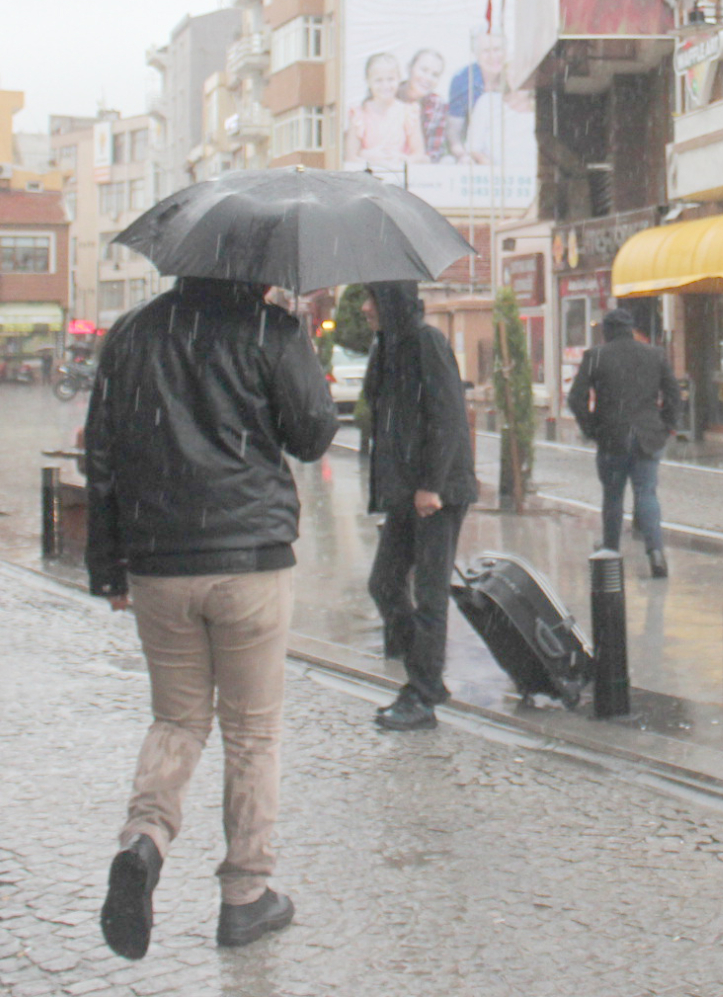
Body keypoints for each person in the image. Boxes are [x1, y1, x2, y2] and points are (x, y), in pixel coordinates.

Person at [84, 276, 335, 959]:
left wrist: (106, 565)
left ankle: (145, 840)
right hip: (249, 558)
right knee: (252, 730)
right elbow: (313, 432)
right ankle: (246, 895)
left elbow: (100, 453)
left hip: (159, 560)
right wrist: (295, 335)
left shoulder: (132, 331)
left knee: (177, 719)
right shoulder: (266, 327)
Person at [362, 280, 479, 730]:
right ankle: (424, 676)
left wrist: (431, 484)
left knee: (430, 593)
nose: (365, 308)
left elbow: (448, 417)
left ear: (391, 301)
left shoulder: (427, 343)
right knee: (384, 583)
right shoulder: (388, 347)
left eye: (372, 299)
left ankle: (424, 693)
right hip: (407, 493)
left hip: (437, 492)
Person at [567, 307, 680, 577]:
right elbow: (674, 393)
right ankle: (655, 553)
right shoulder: (654, 355)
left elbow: (575, 398)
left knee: (613, 495)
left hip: (611, 436)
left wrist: (591, 427)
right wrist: (667, 425)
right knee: (646, 493)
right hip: (647, 436)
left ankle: (610, 549)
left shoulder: (595, 357)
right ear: (631, 329)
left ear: (606, 332)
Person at [345, 51, 425, 167]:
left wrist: (403, 160)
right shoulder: (359, 114)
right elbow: (350, 158)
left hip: (399, 177)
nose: (385, 85)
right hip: (369, 179)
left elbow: (418, 155)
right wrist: (370, 159)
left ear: (399, 79)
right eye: (378, 80)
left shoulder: (408, 113)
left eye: (390, 79)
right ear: (368, 81)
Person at [446, 31, 508, 157]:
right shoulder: (462, 80)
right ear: (476, 55)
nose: (493, 56)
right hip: (473, 152)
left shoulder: (517, 76)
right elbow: (454, 133)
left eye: (497, 49)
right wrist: (463, 156)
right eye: (486, 51)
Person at [400, 49, 449, 162]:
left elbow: (433, 152)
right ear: (409, 68)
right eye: (424, 70)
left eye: (435, 75)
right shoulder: (389, 93)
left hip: (418, 166)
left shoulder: (437, 104)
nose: (427, 78)